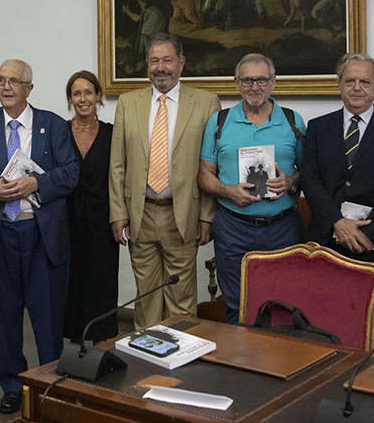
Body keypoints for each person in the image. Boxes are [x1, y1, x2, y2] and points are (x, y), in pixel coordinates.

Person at [0, 59, 79, 414]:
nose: (6, 86)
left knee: (46, 315)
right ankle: (12, 385)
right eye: (0, 80)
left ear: (30, 87)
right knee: (6, 315)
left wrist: (36, 183)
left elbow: (71, 173)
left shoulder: (53, 126)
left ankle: (50, 384)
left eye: (14, 81)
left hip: (40, 234)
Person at [109, 33, 220, 329]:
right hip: (140, 213)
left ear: (181, 63)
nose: (161, 67)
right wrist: (118, 213)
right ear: (147, 65)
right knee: (146, 298)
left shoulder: (206, 103)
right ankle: (146, 364)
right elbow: (117, 165)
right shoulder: (127, 103)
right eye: (154, 60)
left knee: (181, 299)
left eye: (167, 60)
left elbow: (211, 166)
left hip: (182, 214)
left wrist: (207, 217)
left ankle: (183, 367)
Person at [302, 53, 374, 353]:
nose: (357, 87)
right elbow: (311, 180)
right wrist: (338, 222)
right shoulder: (318, 127)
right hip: (327, 240)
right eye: (350, 81)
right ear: (339, 85)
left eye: (365, 81)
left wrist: (368, 235)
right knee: (328, 323)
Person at [198, 53, 305, 324]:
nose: (254, 86)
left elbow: (310, 174)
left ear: (273, 82)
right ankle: (238, 363)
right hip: (233, 227)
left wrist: (291, 181)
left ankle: (278, 361)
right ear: (236, 83)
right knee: (236, 304)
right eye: (247, 80)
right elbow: (204, 176)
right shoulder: (219, 122)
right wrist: (228, 190)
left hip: (282, 227)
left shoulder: (293, 121)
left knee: (284, 303)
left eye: (260, 79)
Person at [62, 70, 119, 342]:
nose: (82, 98)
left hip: (102, 223)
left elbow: (121, 178)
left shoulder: (112, 134)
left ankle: (103, 344)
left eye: (88, 92)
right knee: (70, 283)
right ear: (70, 99)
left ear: (98, 96)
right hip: (65, 222)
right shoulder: (58, 133)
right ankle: (73, 346)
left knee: (102, 283)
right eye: (76, 93)